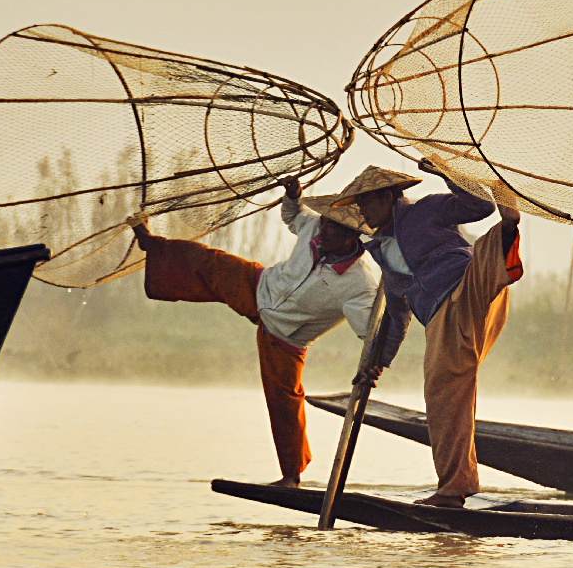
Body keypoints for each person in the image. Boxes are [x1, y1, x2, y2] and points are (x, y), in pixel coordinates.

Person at [129, 176, 393, 487]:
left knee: (284, 401)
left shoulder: (359, 283)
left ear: (351, 237)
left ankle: (291, 477)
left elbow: (370, 333)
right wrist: (294, 196)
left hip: (285, 337)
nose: (323, 231)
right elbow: (294, 216)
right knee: (210, 262)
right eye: (324, 223)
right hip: (260, 286)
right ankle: (152, 245)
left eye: (332, 228)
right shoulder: (315, 229)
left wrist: (373, 365)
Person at [330, 160, 523, 507]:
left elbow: (479, 206)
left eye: (367, 201)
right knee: (445, 394)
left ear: (388, 196)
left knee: (485, 254)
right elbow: (396, 315)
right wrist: (377, 362)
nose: (362, 210)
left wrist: (447, 173)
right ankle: (455, 485)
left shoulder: (425, 210)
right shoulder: (384, 252)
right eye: (359, 205)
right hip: (442, 319)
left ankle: (507, 231)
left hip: (468, 286)